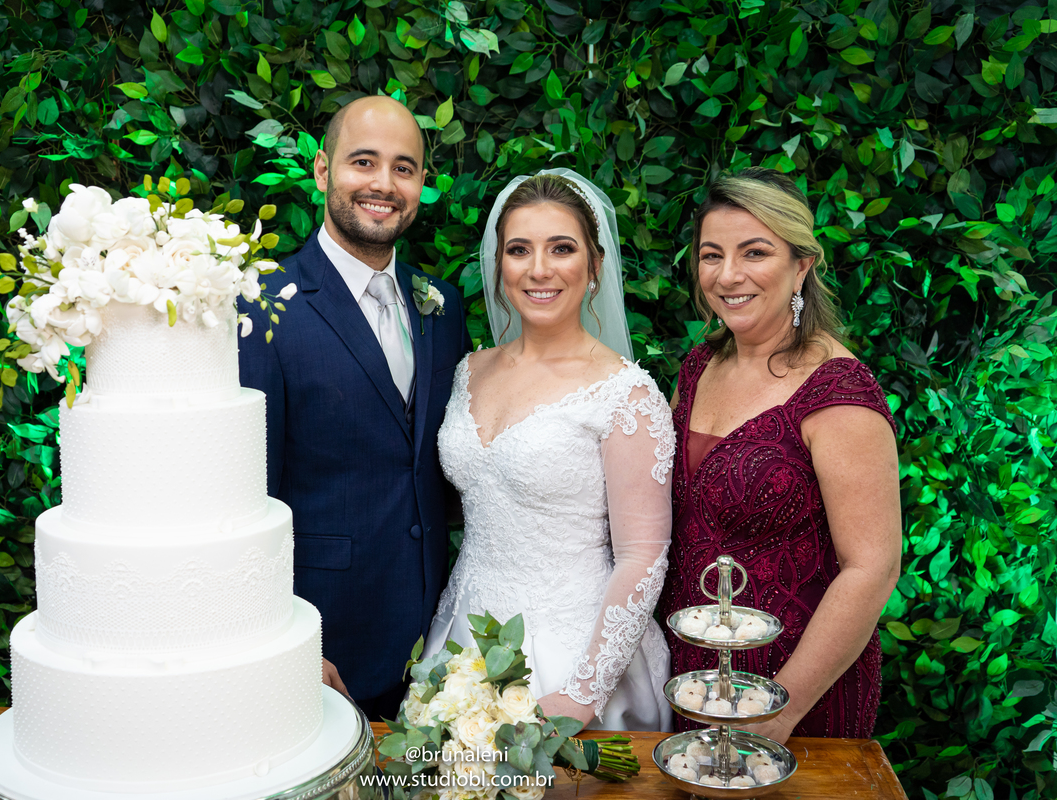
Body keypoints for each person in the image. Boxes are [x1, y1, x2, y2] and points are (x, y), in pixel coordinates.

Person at [238, 95, 471, 722]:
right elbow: (241, 495)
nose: (383, 184)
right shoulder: (262, 305)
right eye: (363, 161)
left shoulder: (442, 307)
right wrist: (286, 641)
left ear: (422, 182)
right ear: (321, 171)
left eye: (404, 167)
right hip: (323, 642)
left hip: (438, 642)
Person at [421, 170, 674, 731]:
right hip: (461, 641)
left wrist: (582, 695)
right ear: (499, 265)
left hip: (574, 654)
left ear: (594, 267)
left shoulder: (625, 395)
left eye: (561, 248)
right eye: (519, 250)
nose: (539, 269)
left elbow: (644, 556)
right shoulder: (469, 370)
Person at [659, 167, 901, 740]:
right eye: (711, 255)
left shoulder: (838, 391)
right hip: (691, 675)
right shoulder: (698, 368)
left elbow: (872, 568)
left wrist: (781, 709)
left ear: (802, 265)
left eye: (755, 252)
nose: (728, 275)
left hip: (797, 690)